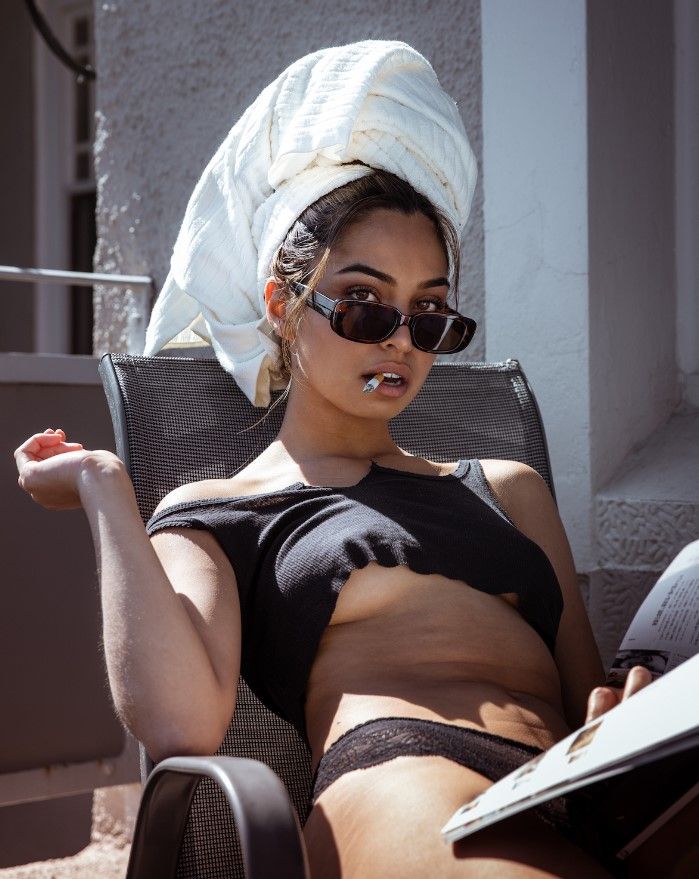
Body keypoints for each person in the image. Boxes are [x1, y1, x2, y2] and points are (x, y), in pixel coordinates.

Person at [14, 42, 675, 879]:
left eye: (428, 314)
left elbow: (585, 699)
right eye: (363, 305)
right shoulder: (224, 507)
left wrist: (630, 705)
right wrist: (106, 486)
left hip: (572, 791)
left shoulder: (508, 488)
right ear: (282, 305)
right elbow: (180, 722)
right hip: (410, 776)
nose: (400, 340)